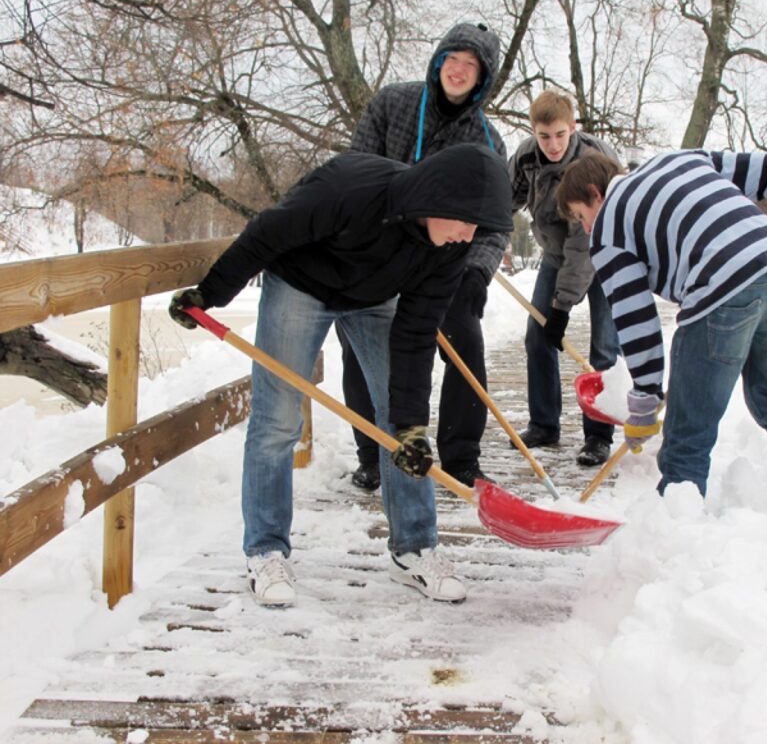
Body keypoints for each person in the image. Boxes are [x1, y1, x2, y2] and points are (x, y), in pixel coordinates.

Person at [168, 144, 513, 608]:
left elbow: (415, 335)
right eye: (465, 221)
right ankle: (266, 550)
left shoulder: (450, 248)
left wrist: (410, 424)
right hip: (301, 284)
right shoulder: (351, 189)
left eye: (477, 227)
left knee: (401, 424)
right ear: (439, 199)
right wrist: (210, 294)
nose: (467, 235)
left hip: (375, 296)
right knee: (278, 419)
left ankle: (415, 547)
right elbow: (266, 234)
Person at [555, 149, 767, 497]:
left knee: (688, 434)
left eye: (582, 215)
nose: (586, 228)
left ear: (596, 193)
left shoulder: (609, 226)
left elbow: (636, 319)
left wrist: (644, 402)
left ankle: (674, 535)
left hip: (720, 285)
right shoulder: (681, 160)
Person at [340, 22, 511, 492]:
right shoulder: (393, 103)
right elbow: (356, 173)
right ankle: (373, 453)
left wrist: (478, 271)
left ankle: (461, 457)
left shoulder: (488, 141)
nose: (458, 70)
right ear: (438, 62)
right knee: (360, 349)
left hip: (445, 261)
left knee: (465, 345)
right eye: (452, 59)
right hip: (377, 251)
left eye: (470, 65)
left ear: (483, 78)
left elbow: (494, 220)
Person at [507, 90, 620, 467]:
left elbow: (583, 245)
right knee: (537, 336)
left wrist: (562, 308)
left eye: (560, 134)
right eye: (544, 136)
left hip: (605, 251)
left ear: (573, 127)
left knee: (604, 347)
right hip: (556, 255)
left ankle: (599, 435)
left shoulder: (591, 163)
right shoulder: (525, 157)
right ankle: (544, 423)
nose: (553, 145)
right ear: (533, 132)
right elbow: (503, 200)